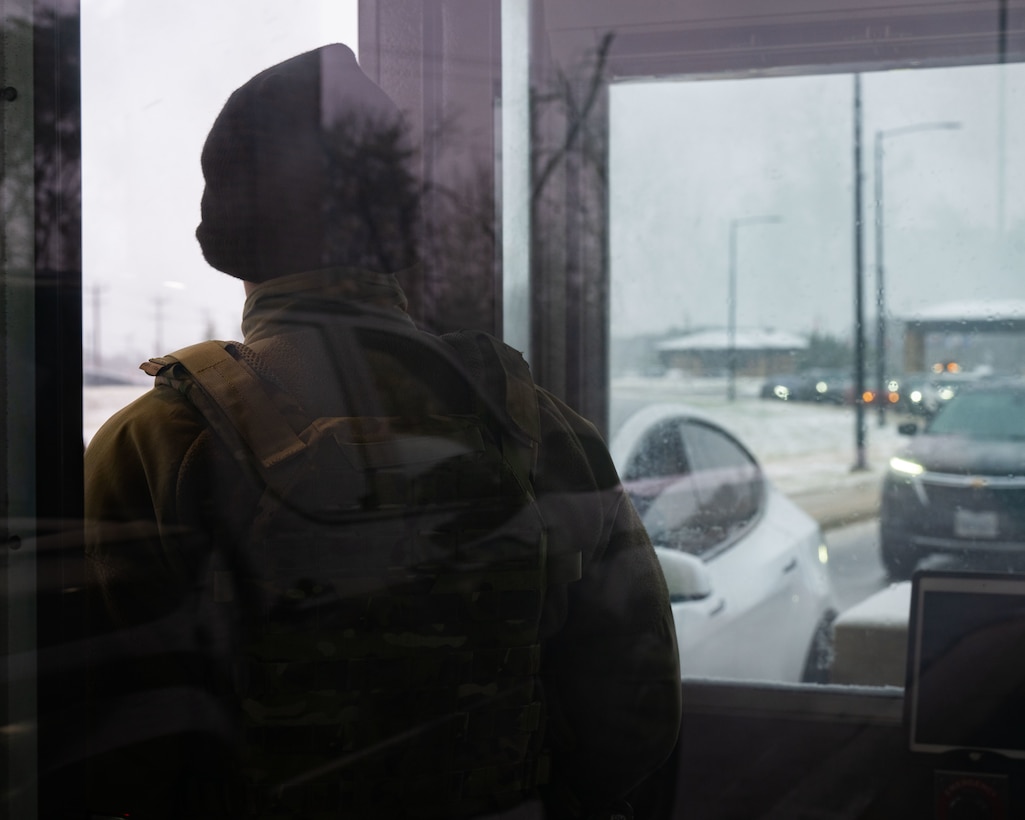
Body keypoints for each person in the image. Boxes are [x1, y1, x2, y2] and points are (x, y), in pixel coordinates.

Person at [84, 43, 681, 820]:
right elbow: (636, 706)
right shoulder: (540, 425)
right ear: (402, 224)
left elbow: (112, 734)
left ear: (229, 229)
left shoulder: (162, 439)